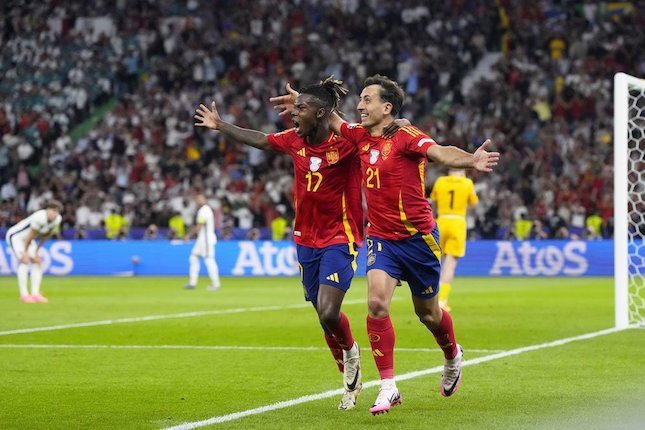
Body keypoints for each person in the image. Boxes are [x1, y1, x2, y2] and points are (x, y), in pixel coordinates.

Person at [271, 74, 499, 414]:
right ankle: (388, 387)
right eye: (360, 100)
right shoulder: (359, 136)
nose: (360, 105)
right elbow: (332, 118)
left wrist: (471, 160)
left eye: (367, 100)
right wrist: (302, 104)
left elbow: (439, 151)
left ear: (386, 107)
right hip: (380, 237)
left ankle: (452, 355)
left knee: (428, 314)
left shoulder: (406, 136)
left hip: (419, 239)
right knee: (376, 304)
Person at [194, 77, 396, 410]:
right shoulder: (293, 140)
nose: (293, 114)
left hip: (340, 236)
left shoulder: (347, 144)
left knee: (330, 312)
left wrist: (397, 123)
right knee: (321, 314)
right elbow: (260, 140)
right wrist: (220, 125)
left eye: (301, 108)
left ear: (320, 114)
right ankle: (350, 371)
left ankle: (350, 354)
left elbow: (379, 132)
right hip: (306, 239)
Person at [429, 169, 479, 312]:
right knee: (450, 264)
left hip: (441, 221)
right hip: (457, 222)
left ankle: (430, 296)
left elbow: (433, 203)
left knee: (437, 261)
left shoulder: (440, 181)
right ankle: (442, 300)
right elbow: (474, 204)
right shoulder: (467, 183)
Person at [5, 200, 63, 303]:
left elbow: (45, 235)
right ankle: (24, 295)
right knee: (25, 261)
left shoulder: (57, 220)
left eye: (57, 211)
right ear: (47, 210)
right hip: (16, 237)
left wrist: (37, 251)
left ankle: (35, 294)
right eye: (53, 211)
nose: (55, 214)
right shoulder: (39, 217)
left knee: (37, 261)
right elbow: (31, 234)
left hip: (28, 239)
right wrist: (25, 252)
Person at [183, 192, 222, 291]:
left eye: (200, 199)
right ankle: (192, 283)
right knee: (193, 258)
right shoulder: (203, 210)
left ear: (204, 200)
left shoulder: (205, 210)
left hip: (206, 239)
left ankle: (216, 284)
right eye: (197, 199)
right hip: (201, 239)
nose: (198, 201)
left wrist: (189, 235)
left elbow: (199, 226)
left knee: (209, 260)